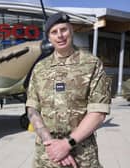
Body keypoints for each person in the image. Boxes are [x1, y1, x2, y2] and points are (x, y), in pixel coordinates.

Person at [26, 12, 111, 168]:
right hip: (47, 154)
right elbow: (32, 108)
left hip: (82, 155)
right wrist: (50, 143)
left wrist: (66, 144)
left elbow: (98, 113)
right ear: (49, 38)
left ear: (71, 30)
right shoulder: (39, 68)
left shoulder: (92, 64)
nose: (60, 35)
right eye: (54, 32)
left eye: (63, 29)